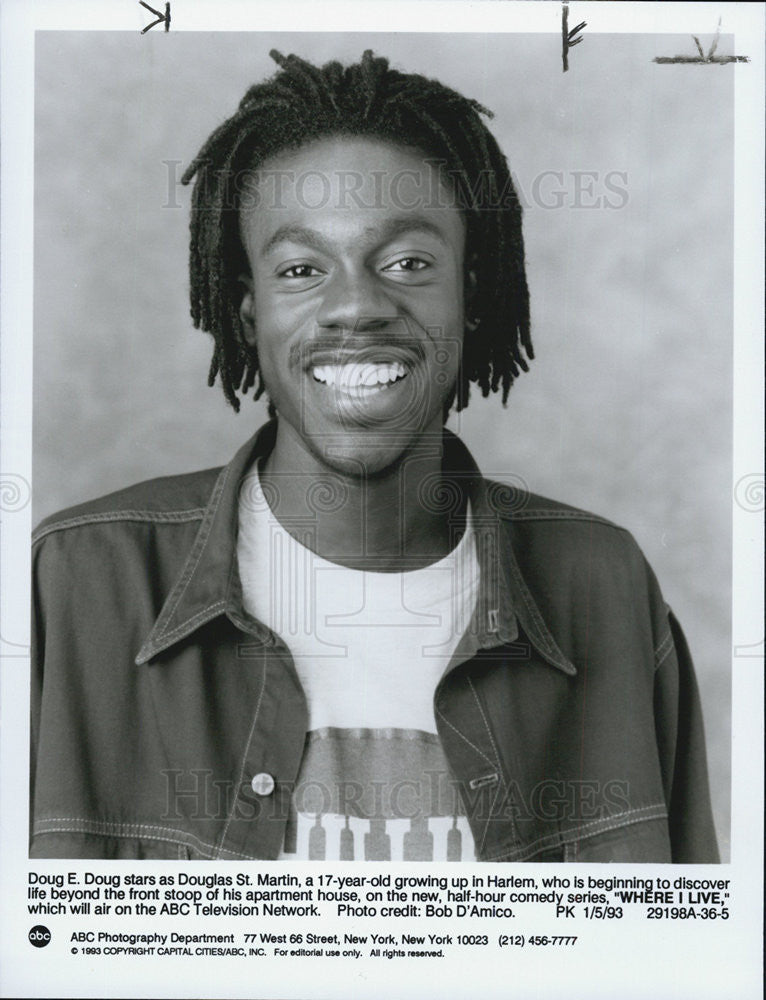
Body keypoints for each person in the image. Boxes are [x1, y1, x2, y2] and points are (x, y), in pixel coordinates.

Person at [30, 50, 718, 862]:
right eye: (300, 269)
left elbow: (676, 962)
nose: (356, 304)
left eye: (408, 263)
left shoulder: (603, 588)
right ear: (247, 312)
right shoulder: (76, 587)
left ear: (472, 294)